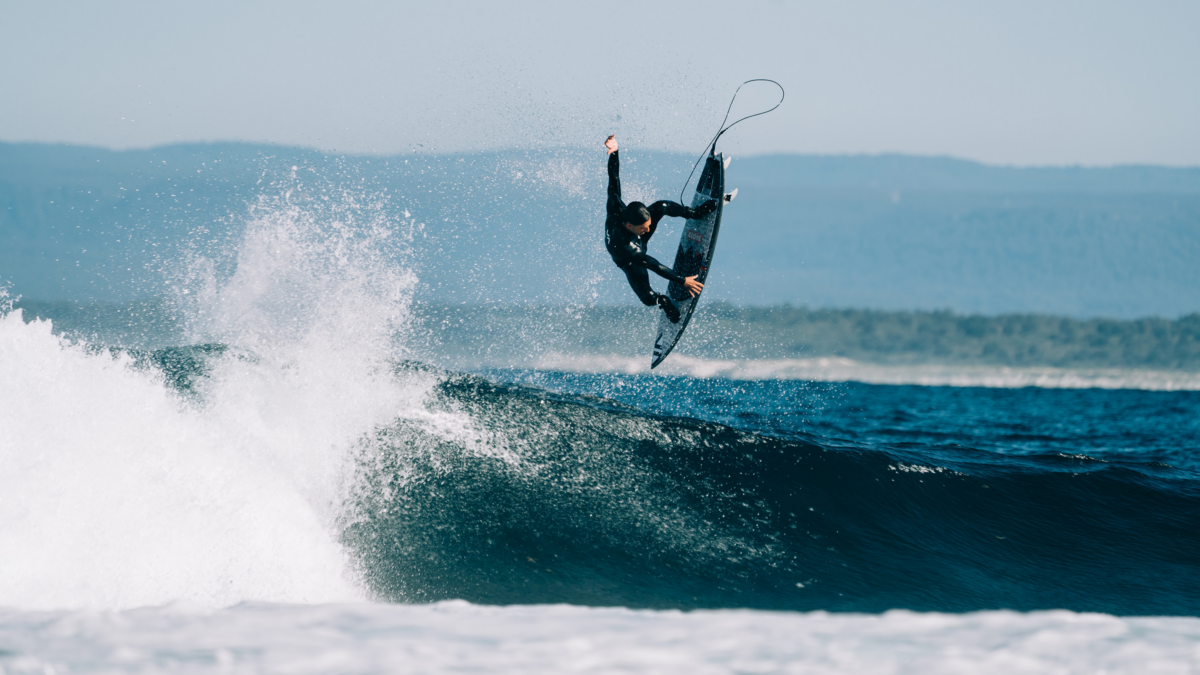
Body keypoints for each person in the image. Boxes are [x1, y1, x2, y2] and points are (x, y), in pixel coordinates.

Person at [603, 135, 716, 323]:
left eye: (648, 226)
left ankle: (695, 213)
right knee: (647, 298)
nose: (649, 231)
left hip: (635, 240)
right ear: (629, 225)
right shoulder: (626, 248)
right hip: (629, 260)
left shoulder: (616, 206)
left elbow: (613, 178)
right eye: (644, 228)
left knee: (661, 206)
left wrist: (615, 152)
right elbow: (654, 265)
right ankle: (662, 301)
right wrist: (683, 280)